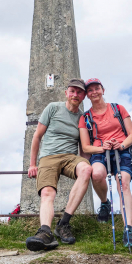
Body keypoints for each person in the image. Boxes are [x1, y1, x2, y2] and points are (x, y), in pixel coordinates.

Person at [25, 79, 93, 252]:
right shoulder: (53, 108)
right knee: (48, 192)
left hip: (70, 157)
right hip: (48, 156)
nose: (75, 95)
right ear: (66, 93)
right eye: (72, 91)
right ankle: (45, 232)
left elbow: (83, 147)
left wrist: (84, 161)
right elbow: (37, 136)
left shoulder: (82, 117)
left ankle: (63, 224)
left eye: (79, 92)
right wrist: (32, 164)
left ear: (83, 96)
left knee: (86, 169)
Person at [79, 78, 132, 249]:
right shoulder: (86, 117)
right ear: (87, 95)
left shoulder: (118, 109)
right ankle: (105, 203)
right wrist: (102, 147)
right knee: (96, 174)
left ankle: (128, 229)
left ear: (103, 90)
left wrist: (121, 145)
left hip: (123, 149)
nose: (94, 92)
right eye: (90, 90)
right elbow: (85, 146)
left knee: (123, 183)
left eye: (97, 88)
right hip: (100, 152)